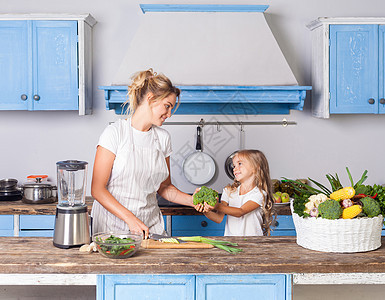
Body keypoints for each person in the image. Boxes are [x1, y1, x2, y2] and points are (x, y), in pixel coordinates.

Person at [91, 68, 197, 238]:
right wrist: (130, 219)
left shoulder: (163, 138)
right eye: (167, 106)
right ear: (151, 99)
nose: (169, 114)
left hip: (150, 226)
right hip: (112, 228)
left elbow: (165, 187)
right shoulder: (115, 133)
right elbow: (97, 189)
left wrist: (193, 201)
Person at [197, 150, 275, 236]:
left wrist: (216, 206)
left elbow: (240, 212)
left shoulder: (259, 194)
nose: (234, 168)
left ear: (255, 167)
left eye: (240, 164)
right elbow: (218, 218)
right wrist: (205, 209)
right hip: (232, 244)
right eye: (234, 165)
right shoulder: (229, 191)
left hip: (253, 243)